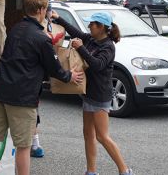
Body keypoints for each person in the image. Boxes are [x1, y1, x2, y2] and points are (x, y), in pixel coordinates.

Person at [0, 0, 83, 175]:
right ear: (41, 10)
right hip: (22, 98)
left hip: (0, 92)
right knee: (23, 147)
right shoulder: (42, 38)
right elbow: (54, 69)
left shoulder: (15, 29)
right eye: (46, 10)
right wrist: (69, 76)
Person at [52, 10, 133, 175]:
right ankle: (91, 171)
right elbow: (75, 31)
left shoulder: (108, 46)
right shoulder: (91, 38)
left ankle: (124, 171)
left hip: (100, 95)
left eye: (92, 24)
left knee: (102, 136)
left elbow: (97, 65)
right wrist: (58, 18)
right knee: (88, 134)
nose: (89, 26)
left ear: (101, 27)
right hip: (88, 94)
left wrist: (81, 48)